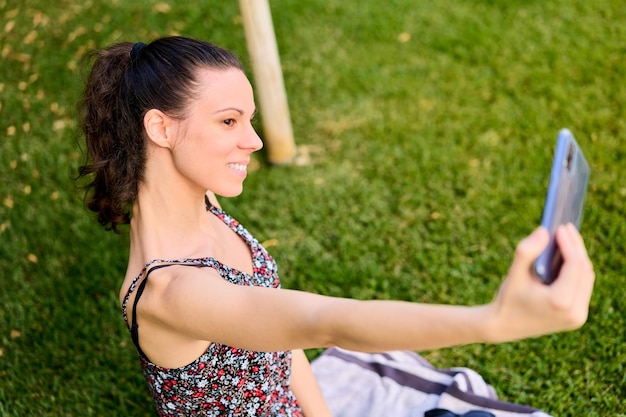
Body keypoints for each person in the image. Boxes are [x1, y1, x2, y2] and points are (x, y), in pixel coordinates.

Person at [77, 36, 595, 417]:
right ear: (160, 128)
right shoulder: (173, 293)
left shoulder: (199, 198)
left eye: (249, 120)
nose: (254, 142)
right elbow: (325, 321)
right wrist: (492, 321)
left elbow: (281, 337)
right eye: (229, 121)